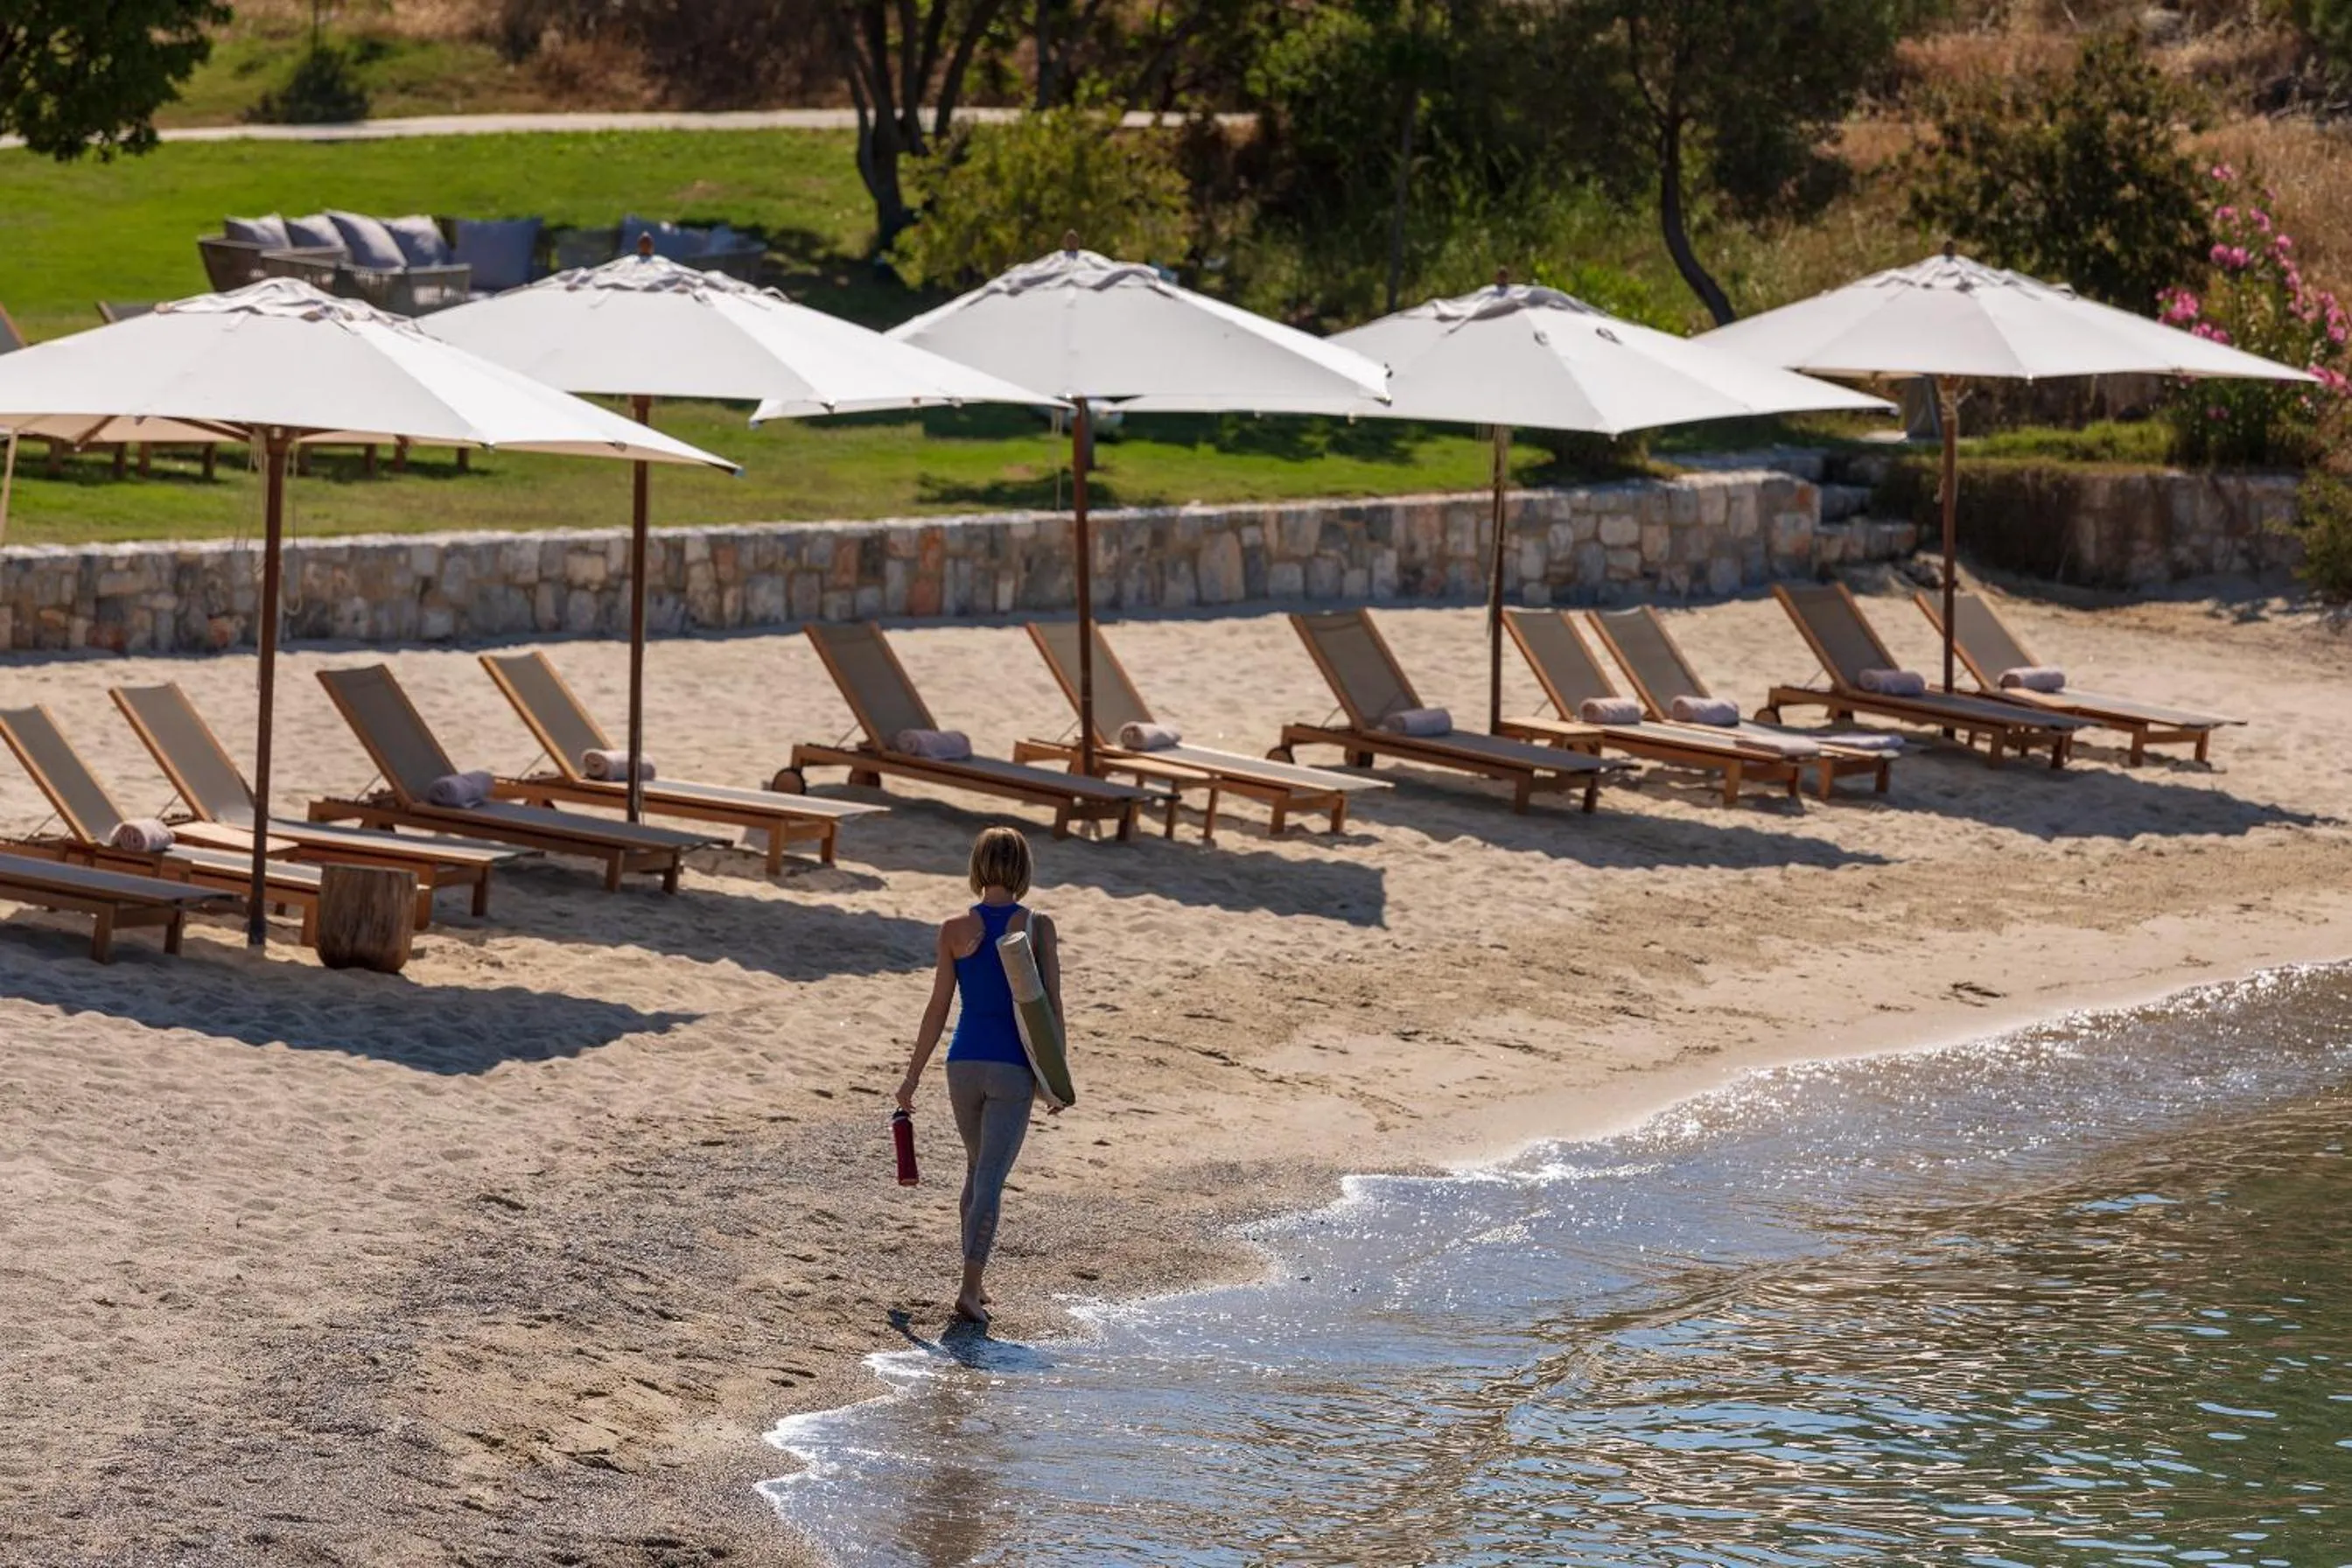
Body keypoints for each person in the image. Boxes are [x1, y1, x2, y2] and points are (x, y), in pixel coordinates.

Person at [896, 825, 1062, 1326]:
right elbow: (1050, 1008)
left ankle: (976, 1279)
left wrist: (912, 1077)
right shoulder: (1036, 925)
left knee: (976, 1170)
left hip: (962, 1064)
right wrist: (1057, 1079)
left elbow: (937, 1008)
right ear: (1023, 869)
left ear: (977, 866)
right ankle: (968, 1289)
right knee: (990, 1176)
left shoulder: (952, 929)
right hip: (1011, 1069)